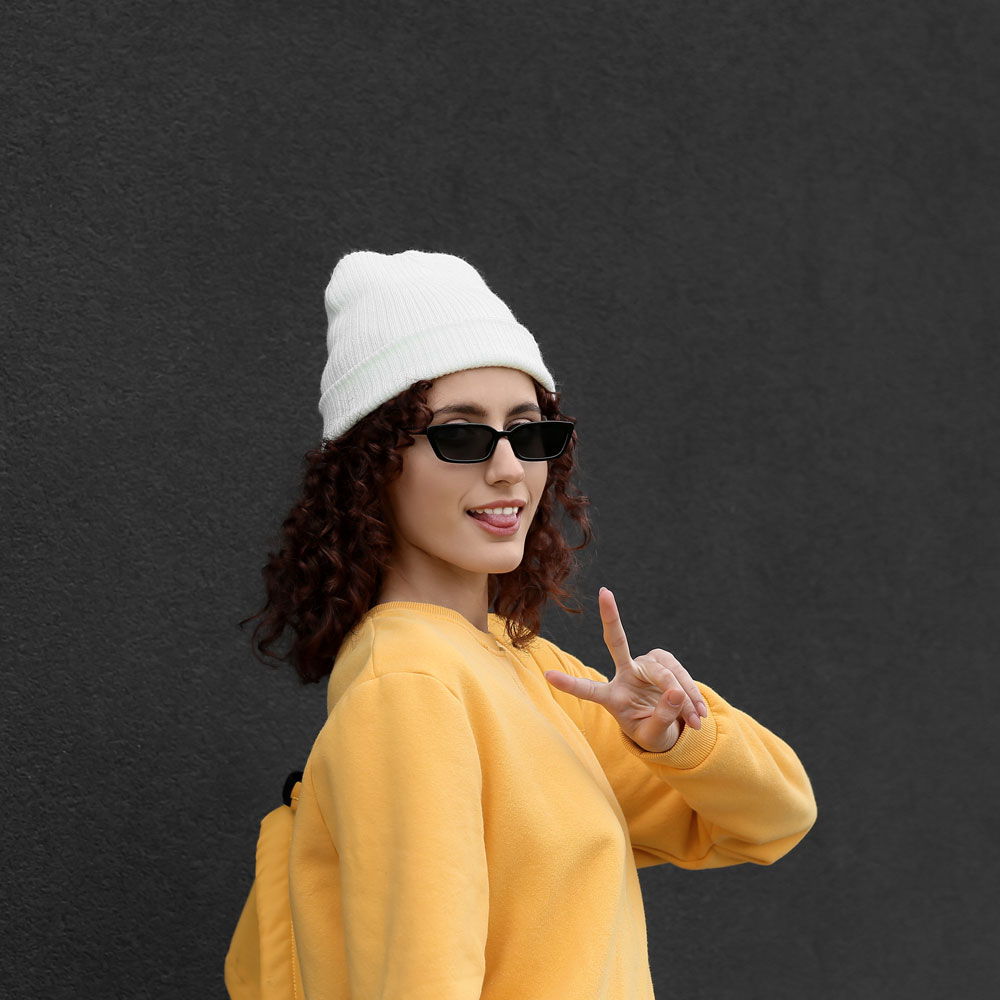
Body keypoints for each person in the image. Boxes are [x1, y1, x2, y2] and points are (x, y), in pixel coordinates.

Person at [242, 250, 816, 1000]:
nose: (510, 469)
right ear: (372, 466)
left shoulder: (529, 670)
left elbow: (773, 819)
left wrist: (679, 739)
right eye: (461, 436)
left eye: (528, 431)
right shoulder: (410, 685)